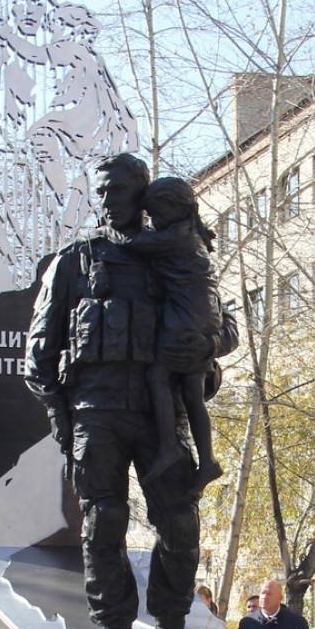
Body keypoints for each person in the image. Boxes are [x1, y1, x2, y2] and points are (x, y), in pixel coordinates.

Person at [26, 152, 223, 629]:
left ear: (142, 194)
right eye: (101, 190)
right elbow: (38, 356)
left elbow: (222, 328)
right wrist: (62, 420)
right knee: (104, 521)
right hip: (97, 411)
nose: (106, 200)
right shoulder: (76, 261)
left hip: (163, 415)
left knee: (180, 525)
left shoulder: (177, 253)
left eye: (116, 189)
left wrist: (198, 342)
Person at [118, 176, 222, 490]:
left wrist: (109, 230)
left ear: (176, 208)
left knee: (158, 377)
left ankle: (168, 447)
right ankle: (207, 461)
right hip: (202, 315)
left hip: (185, 319)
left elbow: (133, 243)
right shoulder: (191, 232)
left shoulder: (175, 236)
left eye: (157, 214)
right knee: (192, 393)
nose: (154, 221)